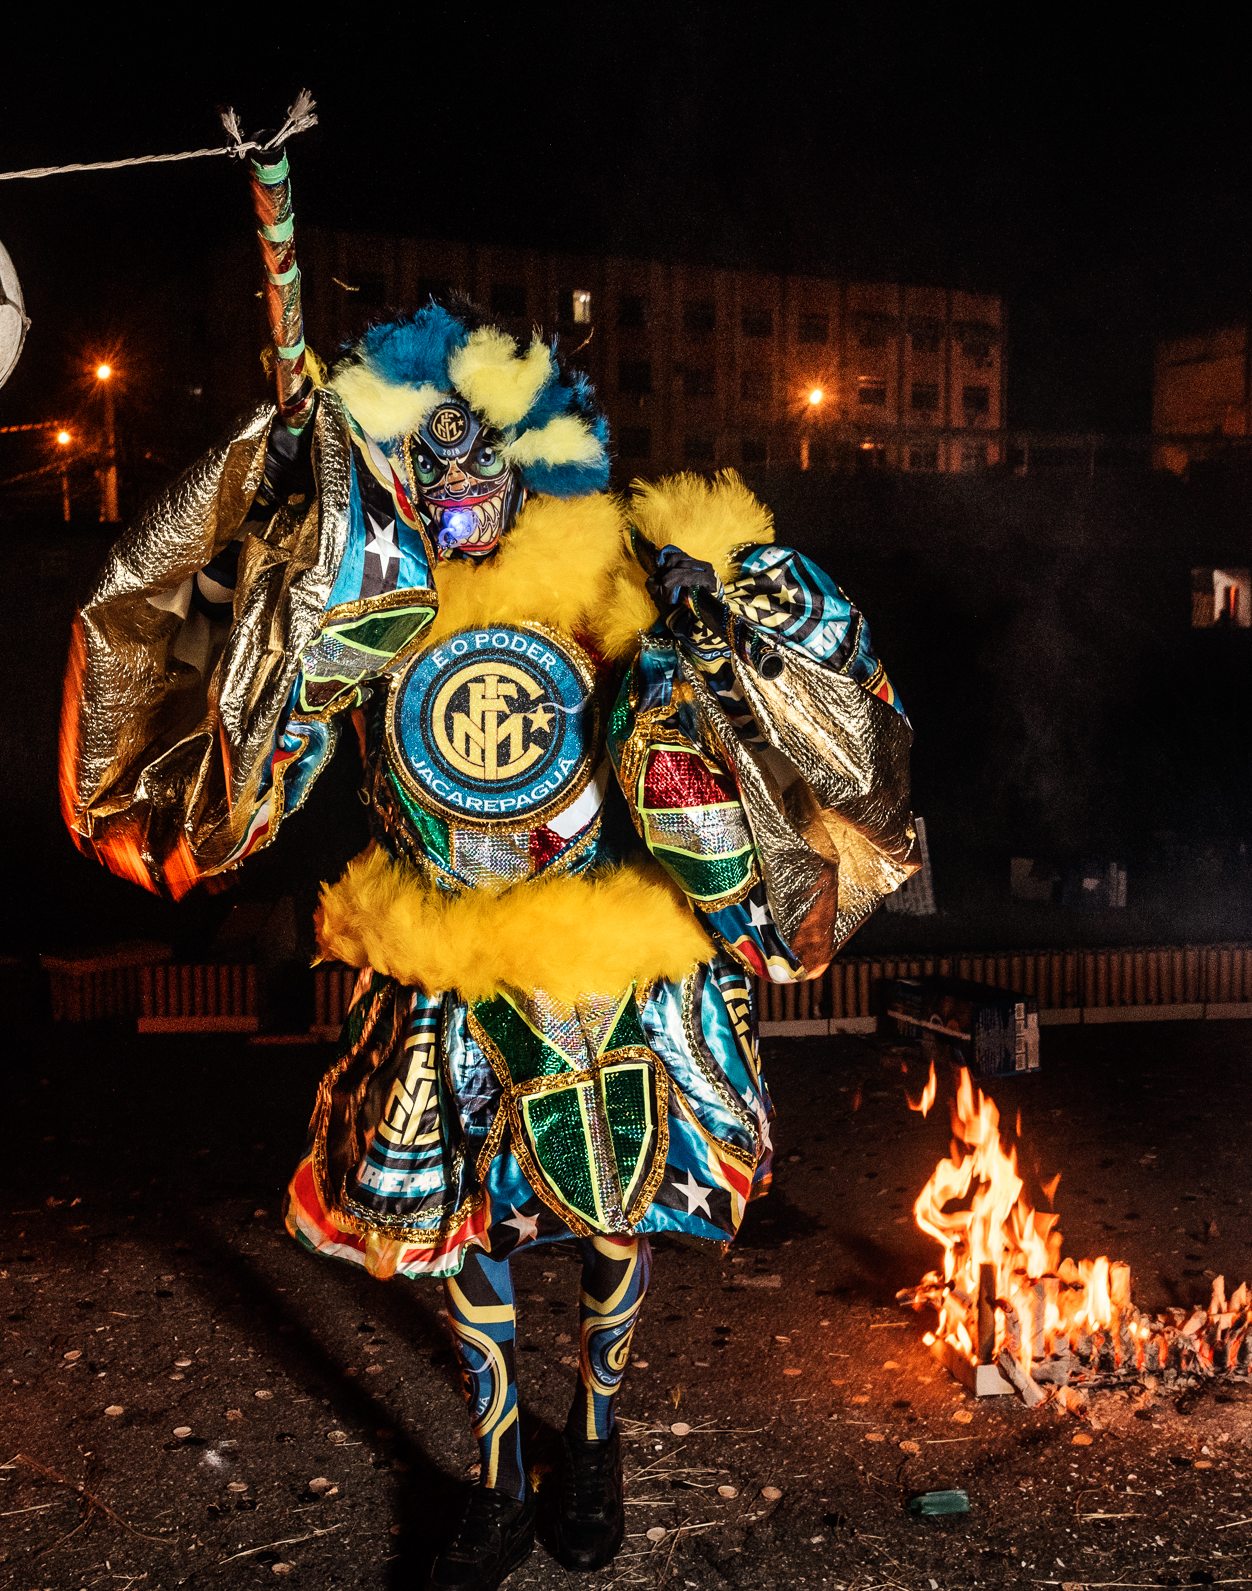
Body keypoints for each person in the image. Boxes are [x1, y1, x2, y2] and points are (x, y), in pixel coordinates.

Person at [61, 293, 914, 1589]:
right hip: (445, 966)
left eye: (482, 447)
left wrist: (704, 613)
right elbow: (238, 728)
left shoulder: (604, 574)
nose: (460, 476)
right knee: (462, 1225)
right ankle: (506, 1469)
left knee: (613, 1206)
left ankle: (602, 1437)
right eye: (429, 451)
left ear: (533, 450)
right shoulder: (353, 600)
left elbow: (782, 673)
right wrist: (280, 551)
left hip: (604, 959)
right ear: (395, 463)